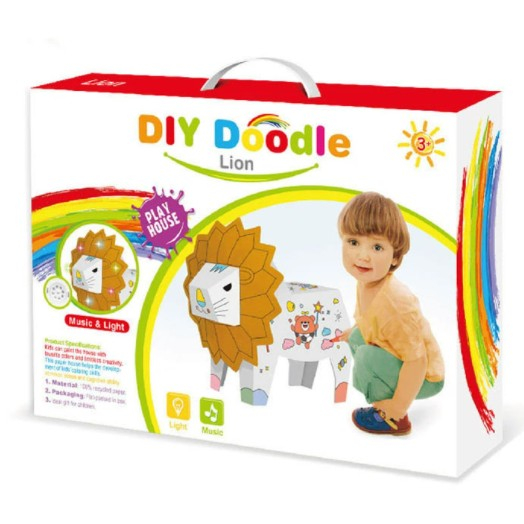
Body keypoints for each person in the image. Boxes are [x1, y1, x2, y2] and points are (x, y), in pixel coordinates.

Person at [338, 192, 444, 436]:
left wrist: (398, 405)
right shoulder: (367, 281)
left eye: (377, 247)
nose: (362, 255)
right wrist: (352, 332)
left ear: (395, 256)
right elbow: (369, 321)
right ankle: (384, 395)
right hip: (406, 359)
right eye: (353, 242)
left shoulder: (396, 304)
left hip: (425, 376)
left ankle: (393, 418)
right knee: (356, 337)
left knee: (365, 357)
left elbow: (417, 361)